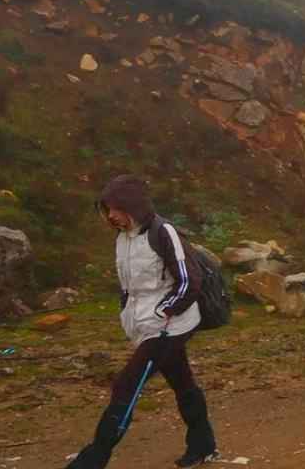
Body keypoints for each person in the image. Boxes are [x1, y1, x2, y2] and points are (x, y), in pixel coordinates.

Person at [68, 175, 218, 469]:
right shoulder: (124, 238)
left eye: (116, 208)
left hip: (169, 326)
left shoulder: (164, 233)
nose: (111, 215)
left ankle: (93, 460)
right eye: (107, 209)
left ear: (133, 206)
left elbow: (190, 280)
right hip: (146, 325)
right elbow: (130, 286)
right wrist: (129, 312)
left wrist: (165, 311)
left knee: (126, 385)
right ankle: (203, 446)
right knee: (181, 380)